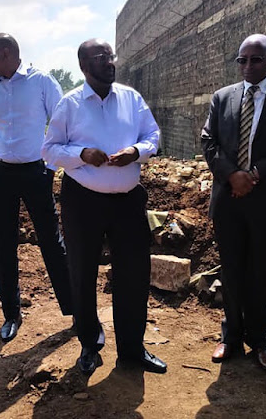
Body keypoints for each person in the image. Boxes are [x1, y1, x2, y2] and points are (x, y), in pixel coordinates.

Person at [41, 38, 166, 376]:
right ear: (84, 66)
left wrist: (135, 152)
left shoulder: (131, 98)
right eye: (101, 57)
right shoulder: (70, 104)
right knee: (82, 273)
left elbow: (153, 135)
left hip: (127, 200)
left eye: (111, 56)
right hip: (83, 200)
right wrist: (81, 154)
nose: (110, 62)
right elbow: (49, 150)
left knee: (134, 274)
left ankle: (131, 348)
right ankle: (88, 345)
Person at [200, 34, 266, 372]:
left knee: (260, 272)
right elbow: (208, 140)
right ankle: (231, 337)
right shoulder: (223, 97)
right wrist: (233, 175)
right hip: (229, 199)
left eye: (256, 59)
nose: (248, 66)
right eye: (242, 60)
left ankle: (261, 340)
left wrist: (257, 173)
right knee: (231, 270)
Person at [0, 33, 72, 342]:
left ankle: (74, 310)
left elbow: (62, 123)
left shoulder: (42, 82)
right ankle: (11, 314)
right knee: (3, 244)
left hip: (35, 171)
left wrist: (52, 168)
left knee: (51, 242)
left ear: (5, 54)